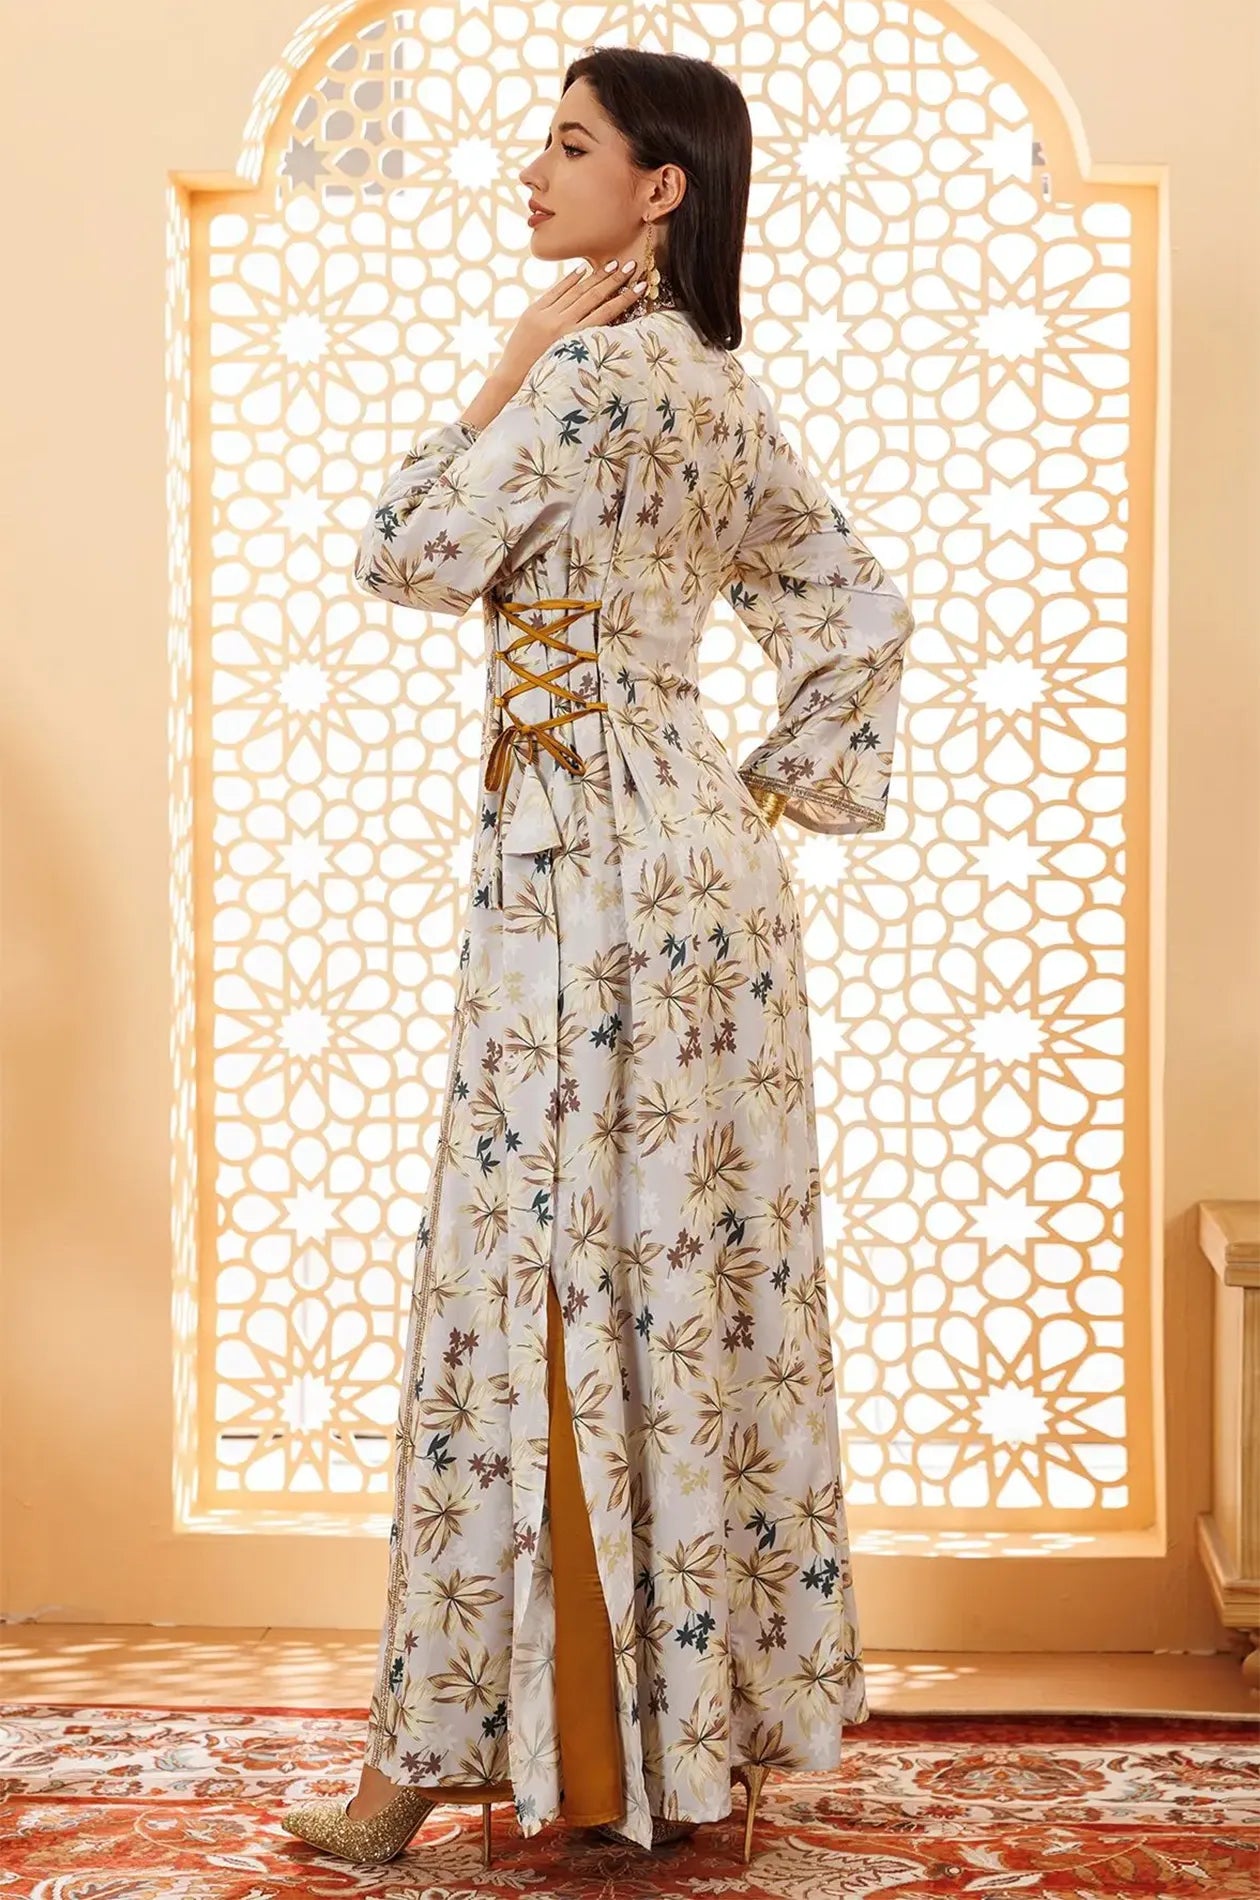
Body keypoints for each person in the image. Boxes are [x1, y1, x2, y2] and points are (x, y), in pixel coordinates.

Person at [281, 43, 911, 1871]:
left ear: (661, 188)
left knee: (536, 1269)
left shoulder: (578, 379)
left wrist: (500, 367)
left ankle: (427, 1769)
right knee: (672, 1267)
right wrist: (756, 793)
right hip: (699, 868)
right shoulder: (720, 385)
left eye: (568, 145)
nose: (530, 172)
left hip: (577, 871)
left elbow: (405, 552)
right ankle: (672, 1747)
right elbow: (859, 605)